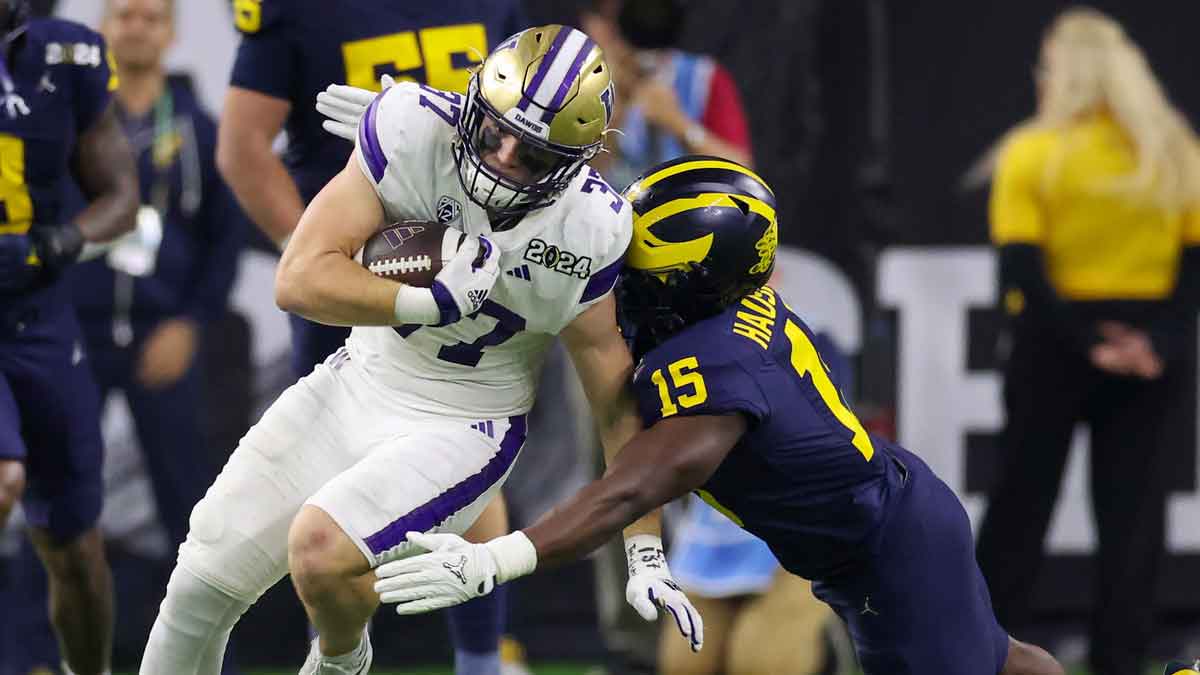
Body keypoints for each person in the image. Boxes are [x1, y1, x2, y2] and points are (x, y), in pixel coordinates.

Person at [140, 25, 702, 675]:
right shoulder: (414, 129)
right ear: (470, 104)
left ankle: (341, 661)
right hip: (359, 379)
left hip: (467, 423)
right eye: (493, 132)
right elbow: (298, 280)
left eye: (533, 157)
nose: (501, 161)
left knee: (319, 545)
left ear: (576, 164)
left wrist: (645, 548)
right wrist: (421, 301)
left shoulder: (591, 230)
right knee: (200, 578)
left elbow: (612, 399)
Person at [368, 156, 1066, 675]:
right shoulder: (716, 306)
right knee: (1000, 660)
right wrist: (416, 157)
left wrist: (500, 557)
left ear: (690, 280)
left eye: (639, 270)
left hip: (886, 558)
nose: (622, 280)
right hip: (892, 521)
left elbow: (629, 489)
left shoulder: (722, 371)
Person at [217, 5, 528, 671]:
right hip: (351, 276)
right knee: (331, 489)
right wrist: (322, 259)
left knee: (472, 477)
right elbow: (243, 147)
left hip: (469, 275)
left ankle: (482, 660)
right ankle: (335, 656)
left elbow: (527, 125)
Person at [970, 9, 1200, 675]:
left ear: (1060, 74)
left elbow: (1021, 275)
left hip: (1054, 345)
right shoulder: (1176, 152)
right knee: (1135, 516)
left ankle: (979, 651)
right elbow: (1192, 271)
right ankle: (1121, 660)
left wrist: (1088, 344)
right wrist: (1153, 342)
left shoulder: (1033, 154)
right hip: (1149, 350)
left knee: (1018, 506)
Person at [0, 0, 140, 672]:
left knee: (76, 549)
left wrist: (67, 236)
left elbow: (120, 194)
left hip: (40, 320)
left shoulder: (68, 56)